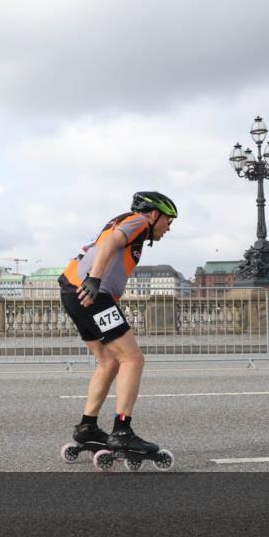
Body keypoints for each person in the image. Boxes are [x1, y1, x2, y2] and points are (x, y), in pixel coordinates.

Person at [58, 191, 178, 454]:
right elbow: (112, 243)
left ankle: (87, 427)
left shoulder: (122, 222)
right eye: (168, 220)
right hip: (92, 294)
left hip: (71, 292)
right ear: (154, 214)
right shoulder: (138, 221)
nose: (169, 227)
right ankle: (122, 431)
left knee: (109, 361)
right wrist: (95, 279)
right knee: (132, 359)